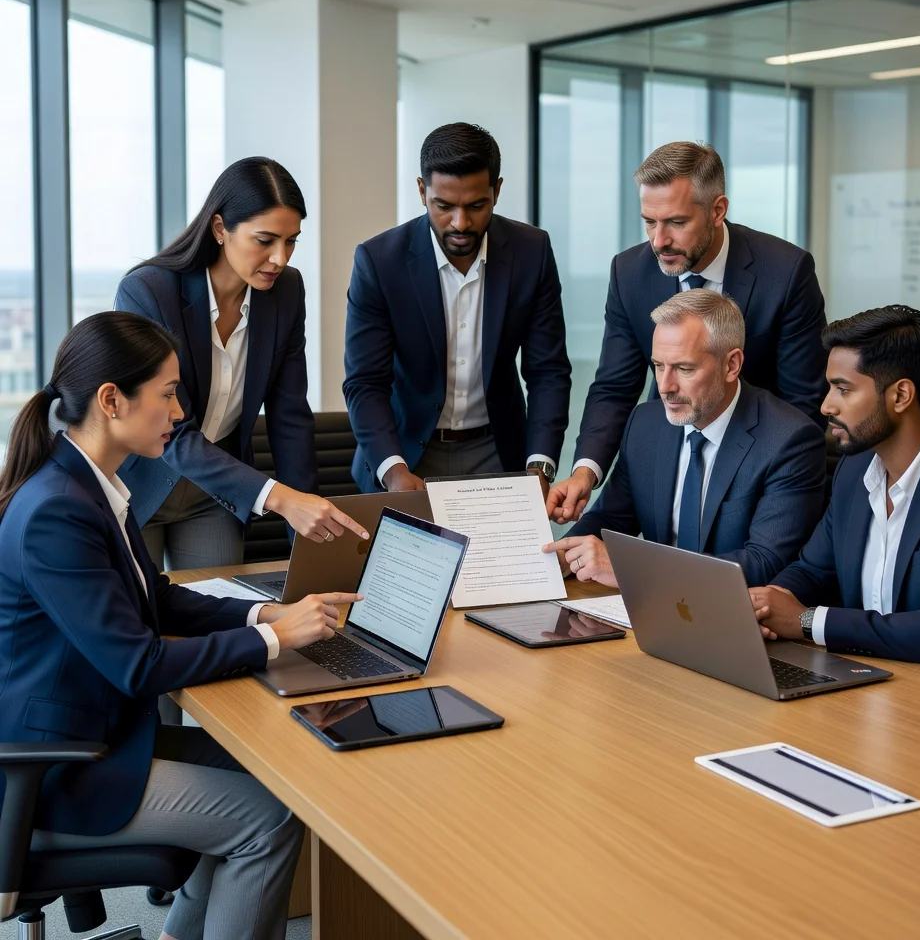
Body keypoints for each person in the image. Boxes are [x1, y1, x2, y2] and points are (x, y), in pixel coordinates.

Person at [0, 312, 362, 940]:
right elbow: (138, 664)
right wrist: (277, 640)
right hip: (56, 769)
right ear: (112, 401)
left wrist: (263, 613)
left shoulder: (86, 485)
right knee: (272, 817)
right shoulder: (58, 511)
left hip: (94, 734)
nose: (178, 413)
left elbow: (158, 600)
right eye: (167, 394)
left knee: (264, 767)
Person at [548, 141, 828, 524]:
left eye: (676, 223)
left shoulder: (785, 271)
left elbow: (804, 401)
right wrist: (586, 470)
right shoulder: (630, 273)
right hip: (672, 454)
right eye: (649, 221)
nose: (659, 241)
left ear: (717, 210)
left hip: (760, 474)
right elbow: (615, 386)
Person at [115, 156, 367, 572]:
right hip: (136, 483)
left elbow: (290, 417)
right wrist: (280, 499)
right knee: (143, 621)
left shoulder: (286, 292)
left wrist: (305, 540)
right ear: (220, 229)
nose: (279, 258)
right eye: (264, 240)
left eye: (291, 241)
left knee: (219, 620)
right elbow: (172, 429)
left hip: (215, 491)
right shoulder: (149, 292)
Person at [751, 306, 920, 682]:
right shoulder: (854, 470)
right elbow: (815, 568)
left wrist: (807, 621)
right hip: (869, 681)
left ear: (900, 396)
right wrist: (766, 604)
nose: (826, 405)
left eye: (843, 389)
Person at [344, 123, 572, 494]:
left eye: (476, 206)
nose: (460, 223)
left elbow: (548, 371)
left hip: (500, 454)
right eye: (444, 206)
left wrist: (540, 466)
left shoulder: (532, 253)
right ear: (422, 191)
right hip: (407, 456)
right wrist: (392, 469)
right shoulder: (379, 262)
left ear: (496, 191)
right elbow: (365, 382)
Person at [543, 290, 825, 588]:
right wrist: (560, 559)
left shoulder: (790, 441)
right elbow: (611, 520)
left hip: (730, 619)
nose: (664, 386)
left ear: (732, 365)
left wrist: (634, 569)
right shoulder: (645, 424)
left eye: (683, 368)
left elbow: (765, 563)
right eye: (659, 365)